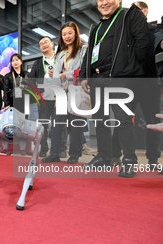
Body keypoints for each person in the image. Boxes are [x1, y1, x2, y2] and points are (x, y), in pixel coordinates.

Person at [80, 0, 151, 177]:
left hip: (119, 78)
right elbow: (89, 53)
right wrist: (84, 75)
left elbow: (143, 43)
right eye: (100, 0)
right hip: (97, 78)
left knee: (123, 119)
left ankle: (129, 160)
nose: (104, 3)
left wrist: (130, 71)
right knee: (100, 121)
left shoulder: (130, 15)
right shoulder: (95, 28)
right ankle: (104, 157)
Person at [111, 1, 161, 169]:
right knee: (122, 120)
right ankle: (118, 156)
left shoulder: (155, 31)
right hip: (127, 82)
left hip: (149, 82)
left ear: (145, 11)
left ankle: (153, 160)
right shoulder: (122, 33)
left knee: (153, 121)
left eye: (137, 11)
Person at [42, 21, 87, 164]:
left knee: (76, 125)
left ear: (76, 34)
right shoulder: (60, 54)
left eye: (70, 33)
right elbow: (55, 76)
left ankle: (74, 154)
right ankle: (54, 153)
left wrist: (65, 75)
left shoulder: (83, 50)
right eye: (64, 34)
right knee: (56, 125)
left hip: (77, 91)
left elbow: (83, 70)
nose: (67, 36)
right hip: (62, 93)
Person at [27, 36, 56, 157]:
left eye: (46, 42)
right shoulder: (38, 63)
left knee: (60, 125)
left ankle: (59, 149)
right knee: (43, 125)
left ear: (52, 44)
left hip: (59, 96)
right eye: (41, 44)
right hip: (44, 98)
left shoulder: (60, 59)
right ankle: (43, 148)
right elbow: (31, 81)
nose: (44, 45)